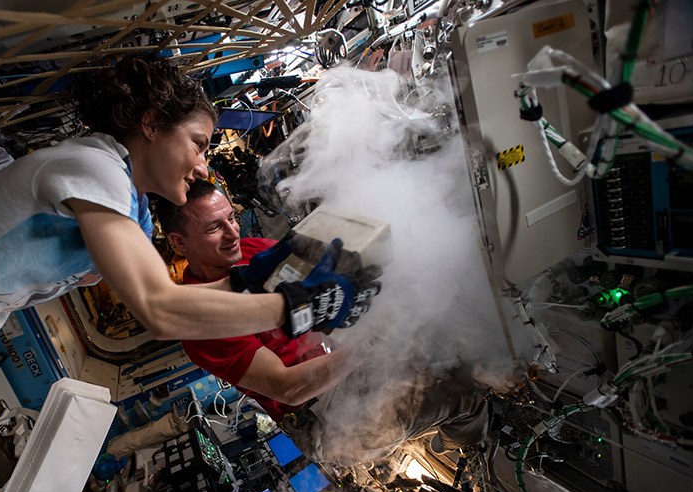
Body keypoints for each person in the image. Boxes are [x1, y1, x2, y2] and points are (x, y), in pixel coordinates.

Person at [0, 54, 382, 473]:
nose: (202, 162)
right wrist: (299, 308)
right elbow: (161, 308)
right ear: (152, 122)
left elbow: (164, 287)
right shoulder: (94, 167)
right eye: (198, 142)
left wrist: (245, 279)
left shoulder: (129, 206)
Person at [157, 180, 488, 464]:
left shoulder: (253, 252)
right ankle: (462, 446)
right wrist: (369, 344)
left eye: (232, 218)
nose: (232, 233)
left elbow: (328, 272)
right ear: (179, 242)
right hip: (320, 414)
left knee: (443, 343)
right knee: (463, 394)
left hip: (341, 361)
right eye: (214, 228)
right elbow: (287, 387)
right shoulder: (200, 324)